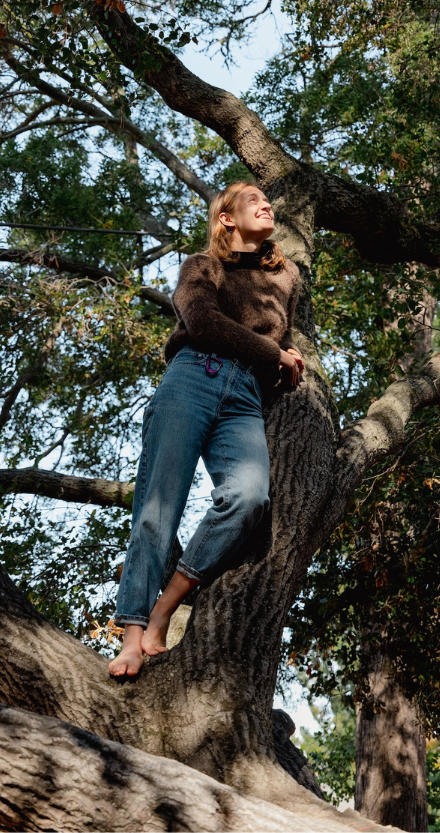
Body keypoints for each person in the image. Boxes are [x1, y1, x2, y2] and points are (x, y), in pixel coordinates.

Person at [108, 181, 305, 678]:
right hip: (193, 376)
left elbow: (285, 341)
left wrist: (289, 361)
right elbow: (202, 322)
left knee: (249, 498)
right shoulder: (202, 266)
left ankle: (164, 608)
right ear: (227, 218)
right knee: (157, 508)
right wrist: (273, 354)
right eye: (254, 200)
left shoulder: (287, 277)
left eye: (269, 201)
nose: (267, 205)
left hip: (245, 399)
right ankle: (131, 637)